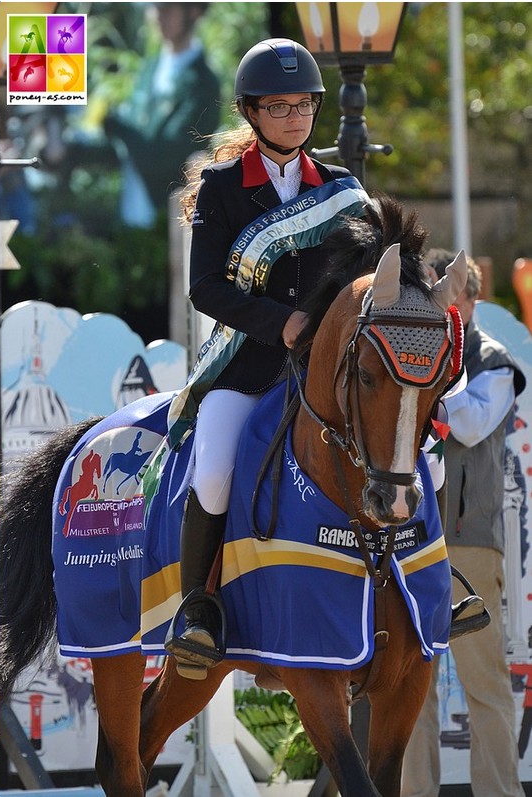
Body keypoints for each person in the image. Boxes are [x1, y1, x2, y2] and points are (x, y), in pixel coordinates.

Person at [162, 38, 363, 676]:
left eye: (304, 105)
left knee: (411, 455)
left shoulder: (340, 189)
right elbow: (205, 288)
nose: (295, 118)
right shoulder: (223, 187)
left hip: (325, 371)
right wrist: (283, 323)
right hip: (248, 366)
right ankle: (196, 609)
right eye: (279, 107)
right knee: (216, 465)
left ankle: (426, 587)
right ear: (252, 112)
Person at [401, 252, 525, 797]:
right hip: (415, 542)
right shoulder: (413, 356)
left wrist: (430, 377)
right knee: (410, 689)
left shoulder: (494, 362)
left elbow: (469, 425)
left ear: (471, 300)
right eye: (430, 291)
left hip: (470, 544)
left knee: (485, 687)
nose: (439, 302)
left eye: (448, 292)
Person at [60, 3, 220, 228]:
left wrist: (112, 122)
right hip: (127, 221)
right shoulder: (150, 67)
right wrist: (69, 150)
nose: (157, 16)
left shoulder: (203, 84)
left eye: (167, 9)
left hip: (170, 226)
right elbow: (126, 151)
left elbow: (164, 157)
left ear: (193, 11)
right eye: (155, 8)